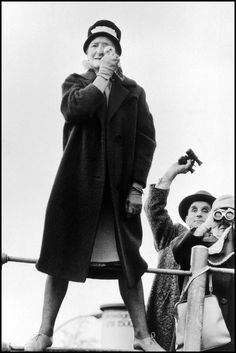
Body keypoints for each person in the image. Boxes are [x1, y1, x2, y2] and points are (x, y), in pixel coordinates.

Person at [25, 20, 165, 351]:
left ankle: (143, 336)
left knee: (129, 265)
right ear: (87, 56)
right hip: (78, 187)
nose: (100, 51)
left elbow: (146, 140)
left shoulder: (133, 92)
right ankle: (44, 333)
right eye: (94, 47)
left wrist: (136, 186)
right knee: (61, 258)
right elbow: (76, 110)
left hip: (118, 194)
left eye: (107, 46)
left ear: (118, 54)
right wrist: (101, 78)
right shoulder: (75, 84)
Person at [144, 159, 216, 350]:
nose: (199, 214)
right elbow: (153, 209)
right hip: (166, 321)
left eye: (206, 210)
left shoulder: (221, 244)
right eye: (194, 210)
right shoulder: (172, 234)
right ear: (186, 218)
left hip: (204, 325)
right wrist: (170, 173)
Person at [173, 194, 235, 351]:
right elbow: (179, 252)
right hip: (201, 334)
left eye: (231, 213)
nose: (224, 219)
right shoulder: (197, 244)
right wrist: (206, 225)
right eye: (218, 213)